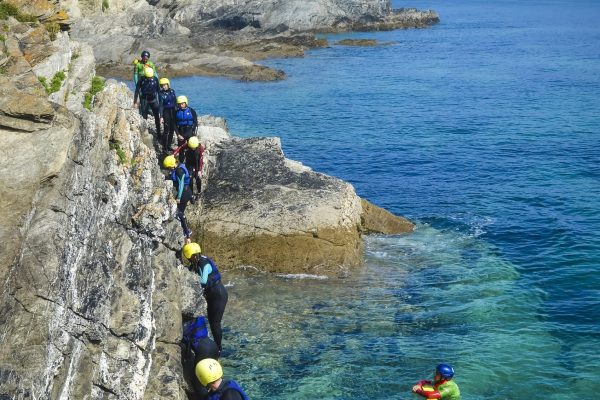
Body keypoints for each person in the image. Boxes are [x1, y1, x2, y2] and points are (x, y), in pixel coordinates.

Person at [182, 242, 228, 354]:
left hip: (219, 294)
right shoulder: (196, 262)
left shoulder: (204, 263)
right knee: (210, 321)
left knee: (215, 322)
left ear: (195, 255)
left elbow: (203, 280)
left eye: (192, 257)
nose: (191, 259)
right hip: (211, 295)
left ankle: (218, 348)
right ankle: (212, 344)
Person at [182, 316, 220, 400]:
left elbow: (186, 347)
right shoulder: (197, 318)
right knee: (214, 379)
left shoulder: (183, 323)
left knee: (198, 382)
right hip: (213, 345)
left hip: (204, 350)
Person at [163, 155, 192, 238]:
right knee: (180, 211)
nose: (168, 170)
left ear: (171, 165)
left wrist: (179, 197)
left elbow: (181, 184)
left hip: (184, 193)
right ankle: (185, 228)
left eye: (168, 168)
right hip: (187, 192)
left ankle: (186, 232)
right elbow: (173, 177)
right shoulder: (178, 167)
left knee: (179, 212)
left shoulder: (179, 171)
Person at [174, 136, 204, 202]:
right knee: (190, 179)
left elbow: (201, 160)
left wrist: (199, 170)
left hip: (197, 164)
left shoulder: (200, 148)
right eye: (191, 148)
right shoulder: (188, 145)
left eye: (194, 148)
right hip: (189, 163)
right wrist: (174, 154)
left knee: (198, 178)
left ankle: (199, 192)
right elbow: (180, 148)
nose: (192, 149)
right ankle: (191, 194)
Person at [133, 67, 161, 137]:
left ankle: (158, 132)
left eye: (150, 77)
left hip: (153, 100)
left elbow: (158, 91)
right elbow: (137, 90)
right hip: (144, 100)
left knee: (157, 116)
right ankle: (145, 132)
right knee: (144, 116)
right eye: (148, 77)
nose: (149, 78)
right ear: (145, 75)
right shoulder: (141, 79)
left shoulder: (155, 79)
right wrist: (135, 102)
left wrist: (160, 101)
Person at [158, 77, 177, 153]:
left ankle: (169, 146)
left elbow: (175, 102)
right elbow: (161, 105)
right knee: (166, 130)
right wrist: (161, 116)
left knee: (172, 129)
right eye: (162, 85)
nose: (164, 86)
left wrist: (178, 110)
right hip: (166, 112)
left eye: (165, 85)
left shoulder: (172, 91)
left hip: (173, 111)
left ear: (168, 84)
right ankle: (164, 148)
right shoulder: (160, 93)